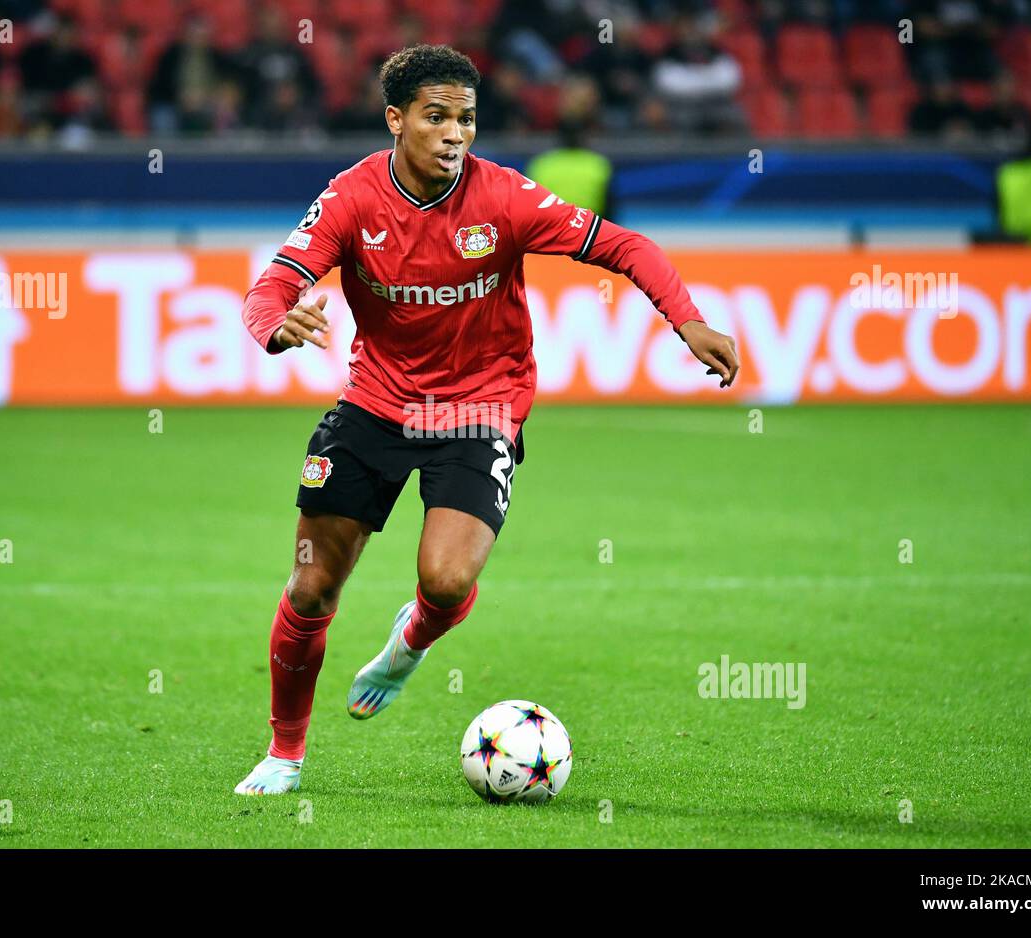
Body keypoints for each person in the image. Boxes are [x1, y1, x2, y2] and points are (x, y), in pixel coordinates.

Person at [235, 45, 738, 795]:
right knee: (311, 589)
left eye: (466, 118)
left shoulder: (504, 198)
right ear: (395, 120)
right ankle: (285, 754)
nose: (454, 134)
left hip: (480, 408)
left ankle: (411, 639)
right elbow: (272, 284)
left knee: (443, 581)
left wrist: (687, 320)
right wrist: (276, 326)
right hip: (375, 405)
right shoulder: (351, 198)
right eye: (435, 117)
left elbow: (623, 245)